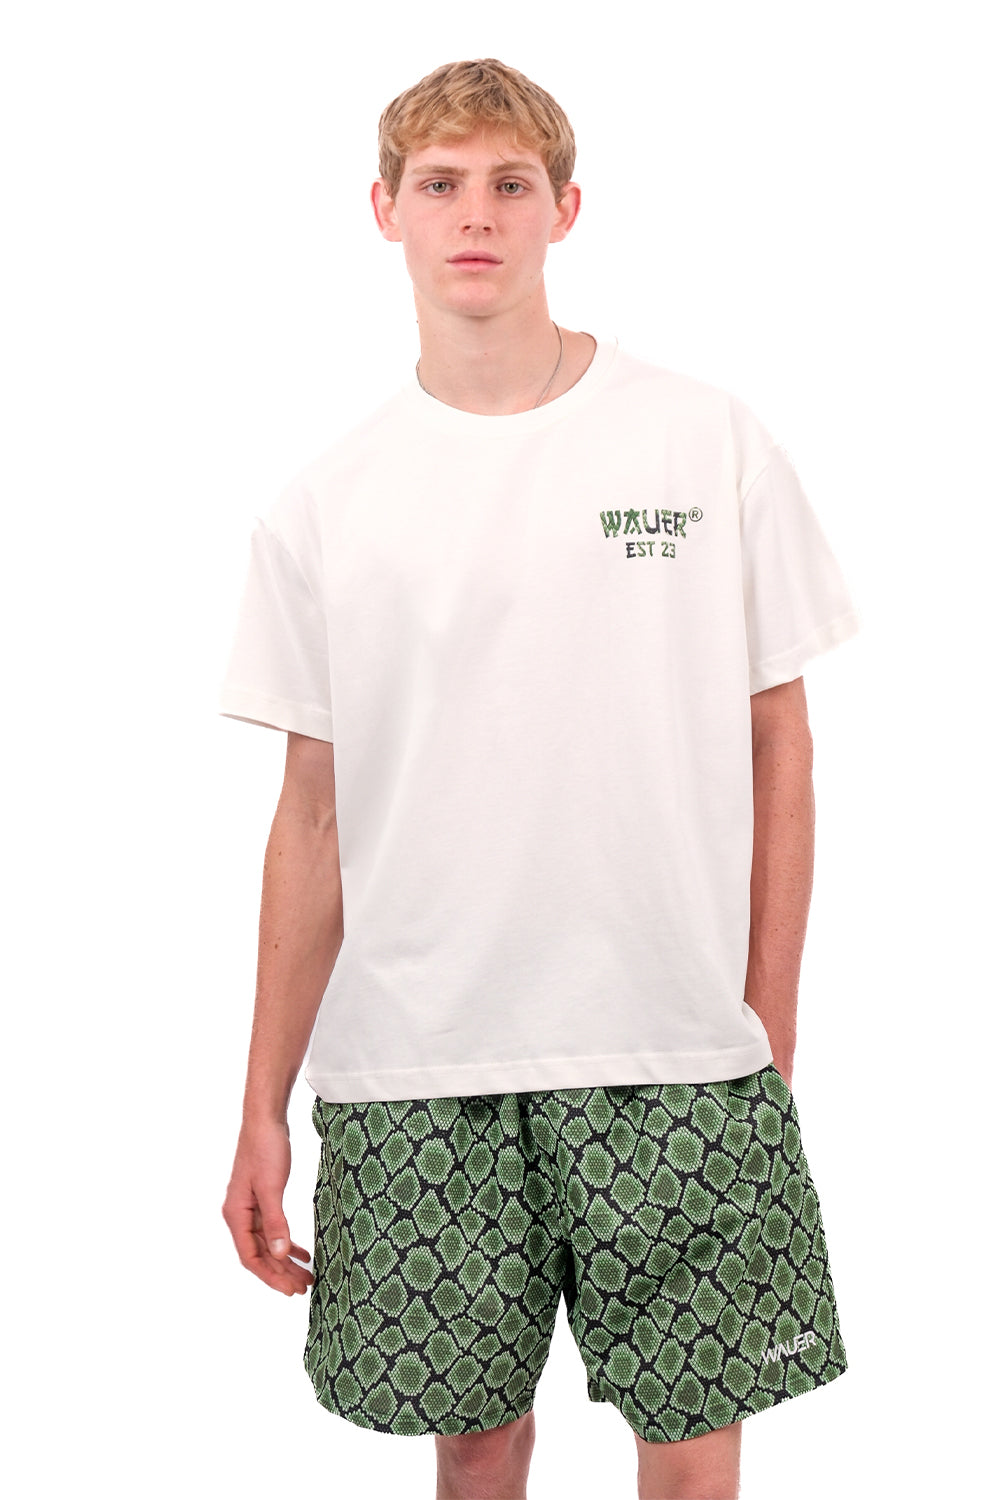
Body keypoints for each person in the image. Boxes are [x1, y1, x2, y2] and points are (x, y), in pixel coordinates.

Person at [219, 57, 858, 1500]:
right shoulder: (325, 505)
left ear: (566, 208)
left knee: (691, 1456)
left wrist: (765, 1032)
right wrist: (261, 1097)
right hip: (419, 1063)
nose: (476, 215)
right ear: (383, 209)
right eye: (441, 184)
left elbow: (783, 745)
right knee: (476, 1448)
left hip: (675, 1054)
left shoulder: (702, 439)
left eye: (511, 184)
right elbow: (311, 819)